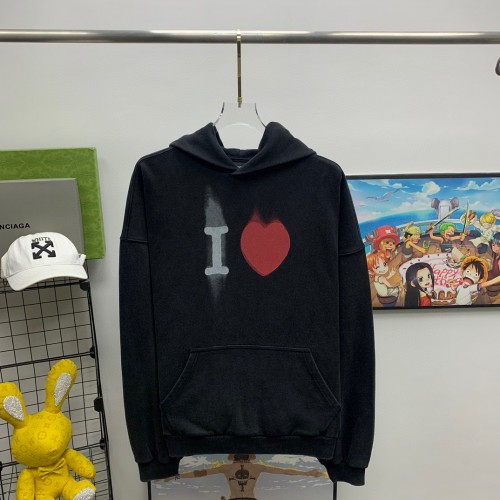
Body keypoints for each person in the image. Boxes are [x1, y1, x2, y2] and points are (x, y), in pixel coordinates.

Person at [165, 454, 324, 500]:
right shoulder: (230, 468)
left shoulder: (229, 467)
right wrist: (176, 476)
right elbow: (200, 473)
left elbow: (283, 471)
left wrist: (308, 473)